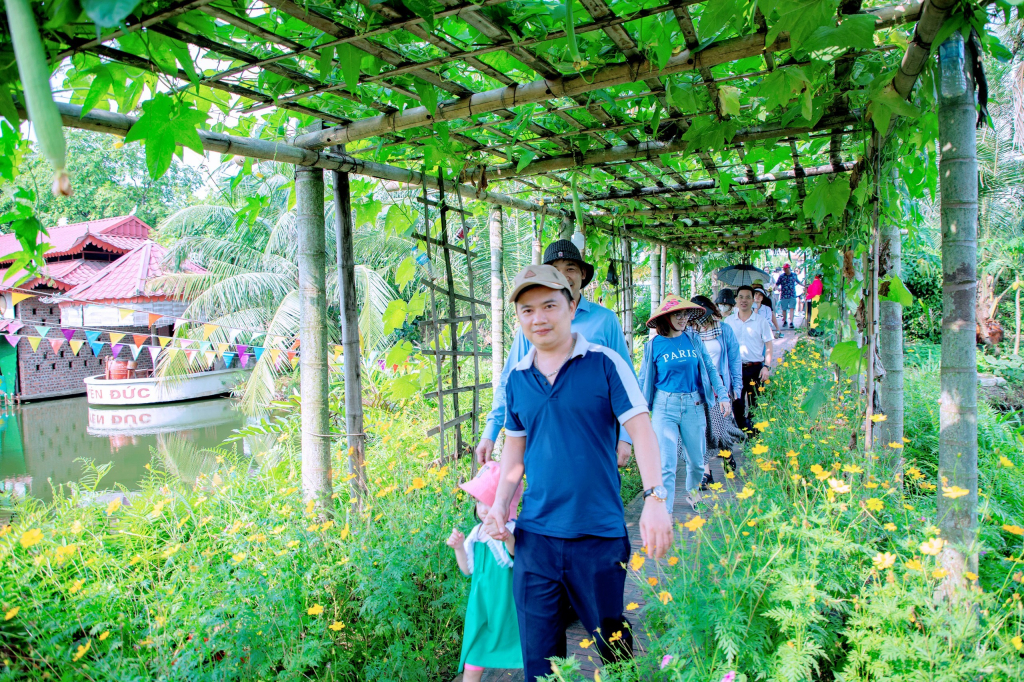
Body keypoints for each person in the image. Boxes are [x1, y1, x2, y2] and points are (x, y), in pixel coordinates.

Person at [483, 264, 673, 682]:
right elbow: (515, 448)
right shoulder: (517, 378)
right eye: (527, 310)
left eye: (549, 305)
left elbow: (641, 430)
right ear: (519, 318)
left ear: (572, 306)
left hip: (598, 535)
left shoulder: (604, 364)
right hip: (535, 539)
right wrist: (499, 508)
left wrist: (656, 498)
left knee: (612, 647)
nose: (539, 318)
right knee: (540, 660)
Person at [476, 240, 634, 467]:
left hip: (597, 436)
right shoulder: (534, 326)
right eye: (555, 270)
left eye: (570, 268)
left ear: (582, 273)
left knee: (597, 495)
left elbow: (625, 378)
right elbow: (509, 381)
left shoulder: (605, 320)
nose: (564, 276)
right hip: (545, 440)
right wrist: (490, 433)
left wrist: (626, 437)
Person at [637, 294, 730, 513]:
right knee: (667, 465)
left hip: (693, 405)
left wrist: (723, 395)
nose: (682, 318)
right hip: (664, 406)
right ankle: (666, 512)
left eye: (685, 313)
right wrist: (639, 412)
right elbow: (643, 379)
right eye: (677, 314)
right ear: (666, 318)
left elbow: (709, 368)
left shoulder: (693, 339)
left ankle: (693, 494)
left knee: (697, 462)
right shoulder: (653, 345)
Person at [447, 462, 525, 681]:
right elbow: (467, 570)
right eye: (480, 501)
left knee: (524, 653)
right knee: (474, 655)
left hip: (506, 608)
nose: (482, 509)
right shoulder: (476, 533)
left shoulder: (511, 529)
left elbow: (516, 554)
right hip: (481, 609)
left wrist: (506, 537)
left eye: (490, 502)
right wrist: (459, 548)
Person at [688, 295, 742, 485]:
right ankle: (706, 473)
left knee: (719, 431)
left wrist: (737, 386)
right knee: (701, 431)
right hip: (697, 389)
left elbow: (734, 359)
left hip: (719, 387)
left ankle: (727, 455)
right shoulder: (688, 332)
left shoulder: (724, 330)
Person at [724, 285, 774, 432]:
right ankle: (745, 431)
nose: (744, 300)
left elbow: (769, 346)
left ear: (753, 300)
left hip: (755, 368)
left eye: (747, 297)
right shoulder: (728, 322)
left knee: (755, 405)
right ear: (736, 300)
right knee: (737, 406)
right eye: (741, 297)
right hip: (735, 370)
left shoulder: (761, 321)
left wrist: (767, 366)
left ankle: (753, 438)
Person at [775, 263, 801, 328]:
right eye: (784, 269)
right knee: (784, 309)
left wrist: (804, 286)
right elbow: (776, 284)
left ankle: (791, 322)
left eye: (786, 268)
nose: (785, 270)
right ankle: (785, 321)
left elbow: (798, 282)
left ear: (789, 268)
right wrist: (776, 288)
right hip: (784, 295)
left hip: (792, 294)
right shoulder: (781, 276)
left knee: (792, 308)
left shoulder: (794, 275)